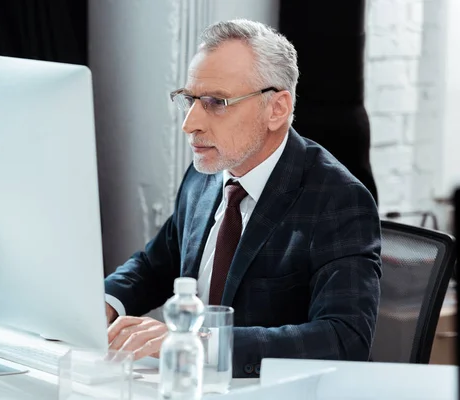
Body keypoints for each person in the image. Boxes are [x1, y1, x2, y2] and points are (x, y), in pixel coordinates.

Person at [104, 19, 382, 378]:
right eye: (189, 100)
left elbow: (344, 339)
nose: (190, 124)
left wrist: (199, 343)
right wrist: (105, 303)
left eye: (216, 102)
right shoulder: (207, 173)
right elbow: (157, 264)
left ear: (277, 109)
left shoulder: (338, 200)